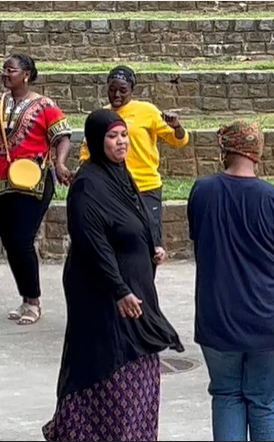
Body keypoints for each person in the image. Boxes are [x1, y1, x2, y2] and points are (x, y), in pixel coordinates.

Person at [43, 109, 184, 441]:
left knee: (141, 369)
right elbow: (92, 242)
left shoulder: (120, 175)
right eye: (112, 136)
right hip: (104, 293)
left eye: (124, 135)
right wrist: (119, 289)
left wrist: (151, 246)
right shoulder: (87, 186)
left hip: (134, 288)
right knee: (110, 368)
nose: (121, 142)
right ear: (96, 140)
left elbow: (135, 216)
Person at [188, 120, 274, 441]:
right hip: (270, 319)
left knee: (226, 395)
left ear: (224, 149)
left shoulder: (202, 191)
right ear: (257, 153)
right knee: (265, 404)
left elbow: (200, 243)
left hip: (218, 317)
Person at [80, 66, 190, 250]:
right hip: (113, 188)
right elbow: (87, 151)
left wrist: (177, 127)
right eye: (112, 89)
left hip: (146, 187)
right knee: (118, 241)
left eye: (122, 90)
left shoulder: (147, 111)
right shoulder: (101, 116)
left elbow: (178, 140)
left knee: (151, 244)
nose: (116, 95)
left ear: (132, 90)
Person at [0, 54, 73, 326]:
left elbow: (62, 136)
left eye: (11, 70)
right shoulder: (1, 102)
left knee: (21, 241)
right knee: (10, 243)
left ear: (27, 75)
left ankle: (33, 300)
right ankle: (25, 298)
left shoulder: (45, 105)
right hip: (3, 182)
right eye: (4, 69)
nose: (5, 73)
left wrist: (60, 163)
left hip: (34, 182)